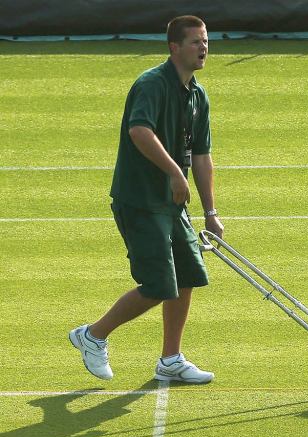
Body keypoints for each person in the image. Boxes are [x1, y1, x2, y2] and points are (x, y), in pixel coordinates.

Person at [69, 15, 223, 384]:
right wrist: (173, 172)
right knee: (158, 286)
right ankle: (92, 335)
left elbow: (201, 157)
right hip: (140, 200)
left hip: (172, 205)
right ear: (174, 48)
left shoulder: (197, 95)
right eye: (195, 42)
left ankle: (171, 358)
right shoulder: (152, 84)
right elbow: (140, 131)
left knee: (187, 274)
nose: (203, 48)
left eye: (205, 41)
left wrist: (211, 212)